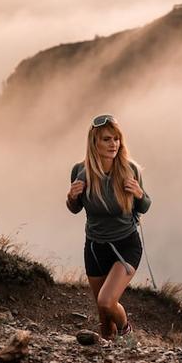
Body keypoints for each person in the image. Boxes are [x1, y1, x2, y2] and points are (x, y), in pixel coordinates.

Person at [66, 114, 151, 340]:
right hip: (94, 247)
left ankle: (126, 329)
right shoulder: (79, 171)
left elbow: (145, 206)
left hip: (126, 245)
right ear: (94, 142)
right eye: (106, 139)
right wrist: (71, 198)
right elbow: (75, 209)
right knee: (103, 320)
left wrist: (139, 194)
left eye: (116, 139)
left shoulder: (130, 169)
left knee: (106, 300)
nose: (113, 144)